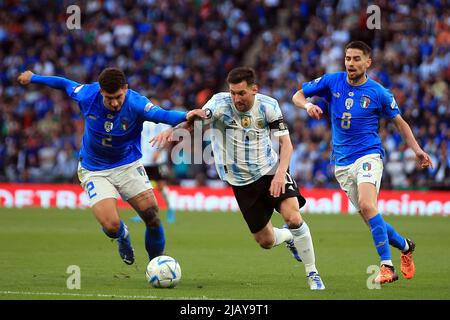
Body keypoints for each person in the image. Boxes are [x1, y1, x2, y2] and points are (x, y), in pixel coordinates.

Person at [152, 67, 325, 290]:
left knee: (293, 217)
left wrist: (281, 173)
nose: (236, 98)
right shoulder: (219, 103)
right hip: (241, 181)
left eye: (241, 93)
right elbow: (197, 119)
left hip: (271, 170)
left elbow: (286, 144)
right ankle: (289, 238)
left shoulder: (268, 105)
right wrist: (175, 130)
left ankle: (313, 273)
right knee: (266, 241)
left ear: (254, 90)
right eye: (233, 93)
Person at [17, 67, 205, 265]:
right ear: (100, 92)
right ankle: (122, 235)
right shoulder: (87, 95)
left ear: (125, 88)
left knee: (151, 215)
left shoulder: (136, 103)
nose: (114, 103)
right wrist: (33, 77)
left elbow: (163, 115)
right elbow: (64, 83)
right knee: (111, 225)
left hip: (127, 164)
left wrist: (187, 115)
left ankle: (156, 264)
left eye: (118, 97)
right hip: (94, 169)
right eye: (109, 98)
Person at [292, 41, 433, 284]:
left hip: (368, 155)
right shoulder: (332, 81)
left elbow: (400, 123)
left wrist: (418, 150)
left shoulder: (378, 92)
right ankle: (406, 247)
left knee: (368, 205)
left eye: (357, 59)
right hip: (342, 164)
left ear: (368, 62)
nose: (351, 63)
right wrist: (308, 105)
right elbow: (298, 94)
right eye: (348, 58)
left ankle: (386, 267)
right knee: (371, 219)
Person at [131, 121, 176, 224]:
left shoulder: (162, 118)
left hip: (157, 160)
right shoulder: (142, 117)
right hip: (142, 159)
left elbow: (168, 138)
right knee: (141, 187)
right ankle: (143, 213)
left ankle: (170, 210)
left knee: (161, 186)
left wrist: (159, 151)